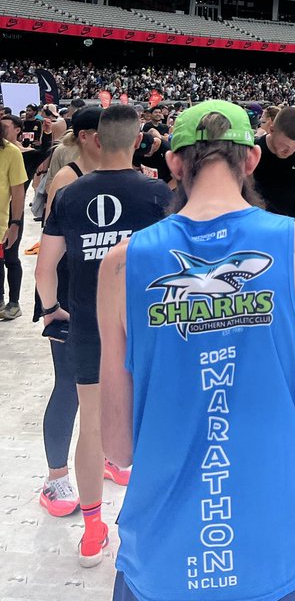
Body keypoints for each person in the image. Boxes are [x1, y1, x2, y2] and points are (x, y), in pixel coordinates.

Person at [97, 100, 295, 601]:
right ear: (251, 159)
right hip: (280, 547)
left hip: (164, 557)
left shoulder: (121, 266)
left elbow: (118, 446)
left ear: (173, 162)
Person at [36, 104, 169, 567]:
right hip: (147, 325)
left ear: (98, 139)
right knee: (154, 420)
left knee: (89, 423)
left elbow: (44, 267)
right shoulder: (157, 193)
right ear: (137, 141)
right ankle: (148, 527)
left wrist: (52, 309)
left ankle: (93, 530)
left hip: (89, 324)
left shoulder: (70, 194)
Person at [34, 105, 103, 518]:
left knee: (107, 383)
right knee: (69, 387)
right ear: (88, 136)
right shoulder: (67, 178)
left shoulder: (111, 176)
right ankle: (55, 477)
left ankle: (103, 458)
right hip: (67, 298)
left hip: (100, 296)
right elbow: (52, 248)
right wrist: (50, 306)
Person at [0, 115, 29, 320]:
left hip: (5, 222)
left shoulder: (11, 153)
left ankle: (13, 302)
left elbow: (18, 192)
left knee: (10, 259)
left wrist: (15, 223)